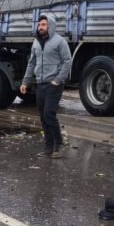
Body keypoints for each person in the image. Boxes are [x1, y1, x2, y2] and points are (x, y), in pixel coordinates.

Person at [20, 15, 72, 158]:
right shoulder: (36, 42)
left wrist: (58, 79)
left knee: (49, 114)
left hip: (54, 84)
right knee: (43, 117)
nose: (40, 27)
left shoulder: (59, 42)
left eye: (43, 24)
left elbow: (67, 61)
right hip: (40, 84)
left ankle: (58, 145)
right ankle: (48, 147)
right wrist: (25, 82)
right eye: (39, 25)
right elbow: (31, 63)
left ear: (50, 26)